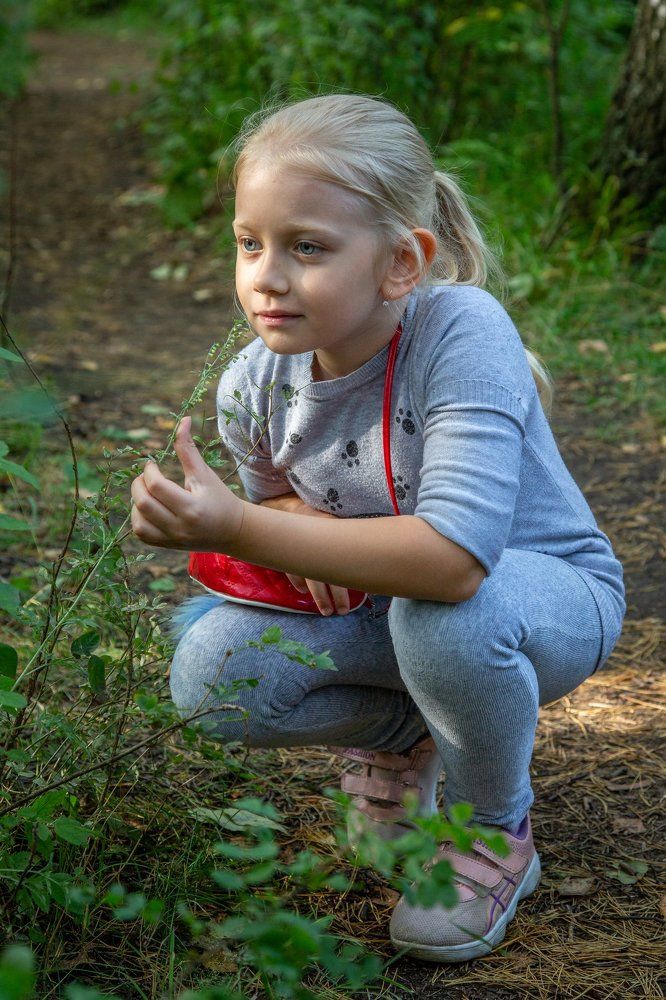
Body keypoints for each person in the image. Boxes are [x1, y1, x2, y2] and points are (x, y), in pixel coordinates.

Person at [130, 94, 625, 963]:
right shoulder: (253, 384)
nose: (266, 276)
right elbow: (284, 524)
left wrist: (241, 525)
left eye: (307, 247)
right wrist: (256, 520)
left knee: (445, 617)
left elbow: (455, 564)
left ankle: (491, 832)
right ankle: (409, 736)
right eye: (250, 242)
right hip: (393, 610)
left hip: (541, 592)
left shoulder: (461, 331)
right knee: (212, 671)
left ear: (401, 263)